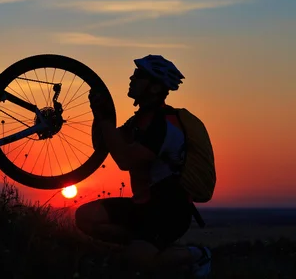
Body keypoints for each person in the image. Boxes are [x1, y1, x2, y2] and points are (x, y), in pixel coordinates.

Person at [74, 54, 212, 277]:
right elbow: (104, 144)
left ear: (155, 88)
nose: (131, 78)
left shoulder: (164, 125)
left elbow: (124, 160)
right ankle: (143, 246)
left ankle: (198, 255)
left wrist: (107, 121)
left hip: (170, 210)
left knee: (135, 264)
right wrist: (99, 116)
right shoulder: (139, 121)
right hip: (143, 204)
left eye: (139, 76)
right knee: (85, 217)